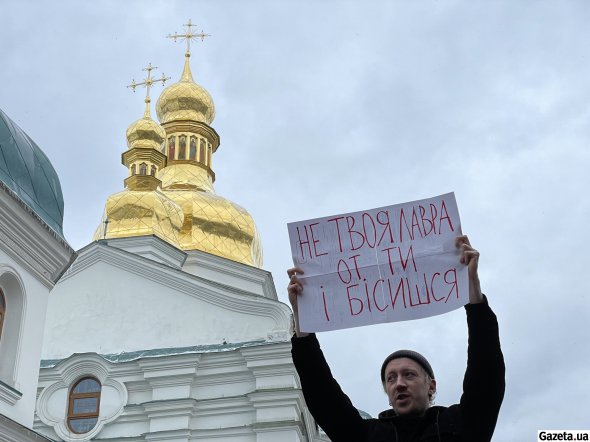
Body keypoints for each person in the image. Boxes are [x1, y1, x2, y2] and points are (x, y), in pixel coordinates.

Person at [288, 235, 505, 442]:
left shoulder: (460, 426)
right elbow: (323, 396)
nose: (399, 384)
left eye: (409, 375)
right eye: (391, 378)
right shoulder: (366, 436)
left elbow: (485, 376)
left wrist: (473, 293)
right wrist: (303, 319)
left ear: (431, 386)